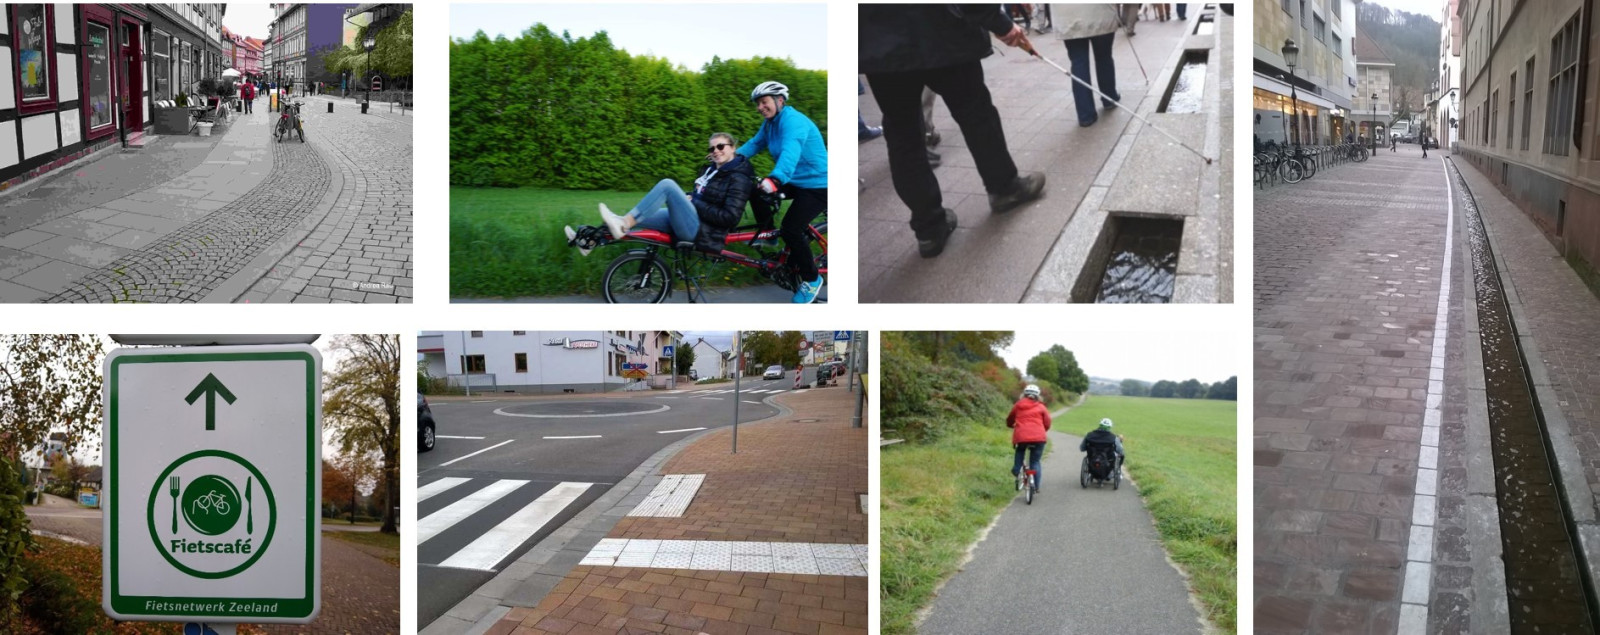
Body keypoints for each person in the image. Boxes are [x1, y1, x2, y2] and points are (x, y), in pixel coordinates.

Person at [859, 4, 1047, 258]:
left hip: (877, 43)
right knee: (977, 114)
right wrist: (998, 21)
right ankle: (1005, 188)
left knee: (903, 136)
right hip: (940, 30)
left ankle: (928, 227)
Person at [565, 132, 754, 258]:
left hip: (703, 232)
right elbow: (701, 196)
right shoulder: (711, 170)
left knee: (668, 185)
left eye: (720, 147)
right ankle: (588, 241)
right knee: (636, 216)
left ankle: (623, 224)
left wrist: (693, 201)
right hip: (693, 220)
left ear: (732, 147)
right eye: (711, 148)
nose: (715, 151)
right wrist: (691, 199)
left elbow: (729, 218)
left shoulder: (739, 177)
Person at [739, 81, 829, 304]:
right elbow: (753, 144)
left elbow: (791, 152)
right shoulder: (770, 124)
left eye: (764, 102)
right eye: (758, 104)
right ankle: (768, 236)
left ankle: (812, 279)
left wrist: (776, 179)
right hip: (796, 181)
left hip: (818, 184)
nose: (760, 107)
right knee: (754, 189)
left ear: (779, 101)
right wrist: (728, 162)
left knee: (791, 229)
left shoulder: (794, 122)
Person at [1053, 4, 1122, 128]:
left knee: (1078, 62)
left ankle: (1085, 115)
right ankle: (1109, 98)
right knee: (1104, 57)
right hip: (1099, 11)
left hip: (1068, 14)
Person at [1007, 384, 1051, 492]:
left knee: (1020, 450)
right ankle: (1036, 486)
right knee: (1035, 462)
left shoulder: (1018, 405)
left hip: (1022, 436)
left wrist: (1010, 425)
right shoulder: (1041, 407)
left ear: (1024, 394)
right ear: (1038, 396)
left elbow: (1010, 419)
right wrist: (1041, 431)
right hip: (1039, 438)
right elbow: (1048, 422)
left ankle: (1017, 469)